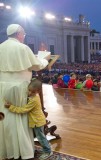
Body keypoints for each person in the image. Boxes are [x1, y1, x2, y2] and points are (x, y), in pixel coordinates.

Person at [0, 24, 50, 159]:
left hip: (3, 86)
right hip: (19, 87)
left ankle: (8, 150)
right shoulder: (23, 48)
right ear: (18, 34)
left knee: (6, 117)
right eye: (23, 34)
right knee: (20, 117)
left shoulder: (1, 47)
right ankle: (23, 151)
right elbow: (37, 65)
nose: (23, 36)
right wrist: (45, 59)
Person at [4, 79, 53, 159]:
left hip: (37, 122)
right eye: (29, 90)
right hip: (37, 121)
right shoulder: (33, 96)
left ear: (38, 91)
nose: (30, 93)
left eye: (33, 92)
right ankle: (46, 148)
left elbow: (24, 110)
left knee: (41, 137)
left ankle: (48, 151)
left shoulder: (34, 99)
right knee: (40, 136)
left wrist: (11, 107)